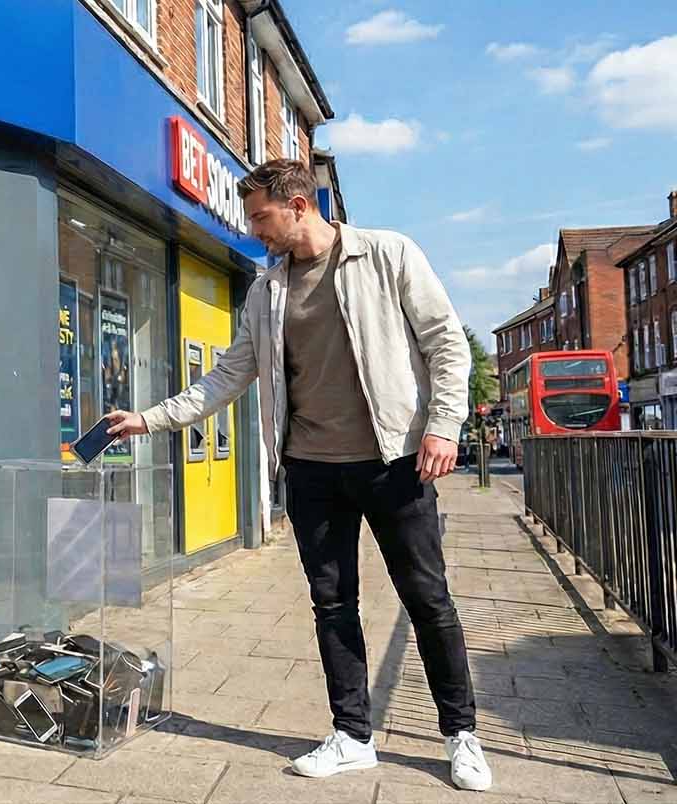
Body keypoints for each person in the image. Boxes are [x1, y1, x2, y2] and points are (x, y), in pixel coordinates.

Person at [104, 159, 491, 792]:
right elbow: (227, 375)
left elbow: (445, 343)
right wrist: (148, 420)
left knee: (427, 598)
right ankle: (353, 736)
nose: (255, 230)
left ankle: (460, 735)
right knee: (332, 604)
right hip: (312, 470)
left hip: (395, 462)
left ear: (299, 205)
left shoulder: (386, 254)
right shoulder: (266, 291)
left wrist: (445, 426)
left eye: (261, 217)